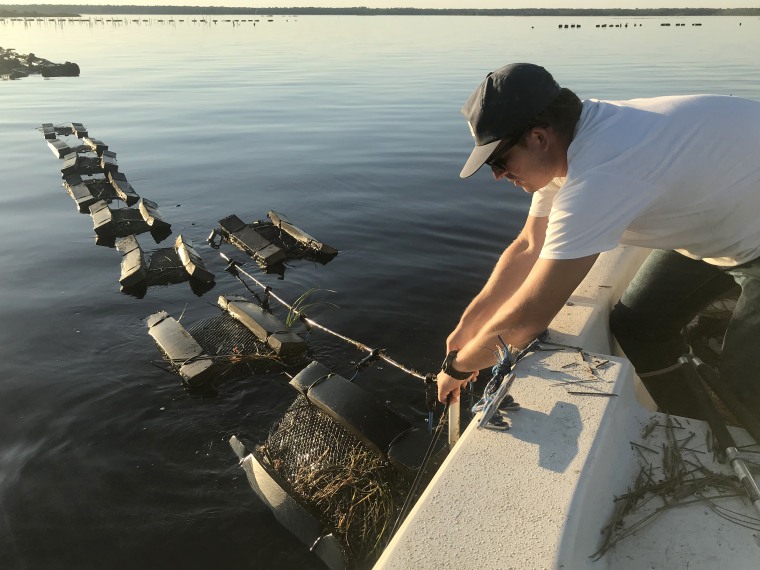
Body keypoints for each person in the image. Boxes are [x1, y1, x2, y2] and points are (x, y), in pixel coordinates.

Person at [436, 62, 760, 421]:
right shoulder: (574, 142)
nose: (498, 175)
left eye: (498, 160)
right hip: (734, 215)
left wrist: (460, 368)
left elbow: (527, 320)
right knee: (639, 327)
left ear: (539, 138)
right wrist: (466, 329)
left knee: (747, 381)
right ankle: (697, 424)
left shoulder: (600, 173)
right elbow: (529, 246)